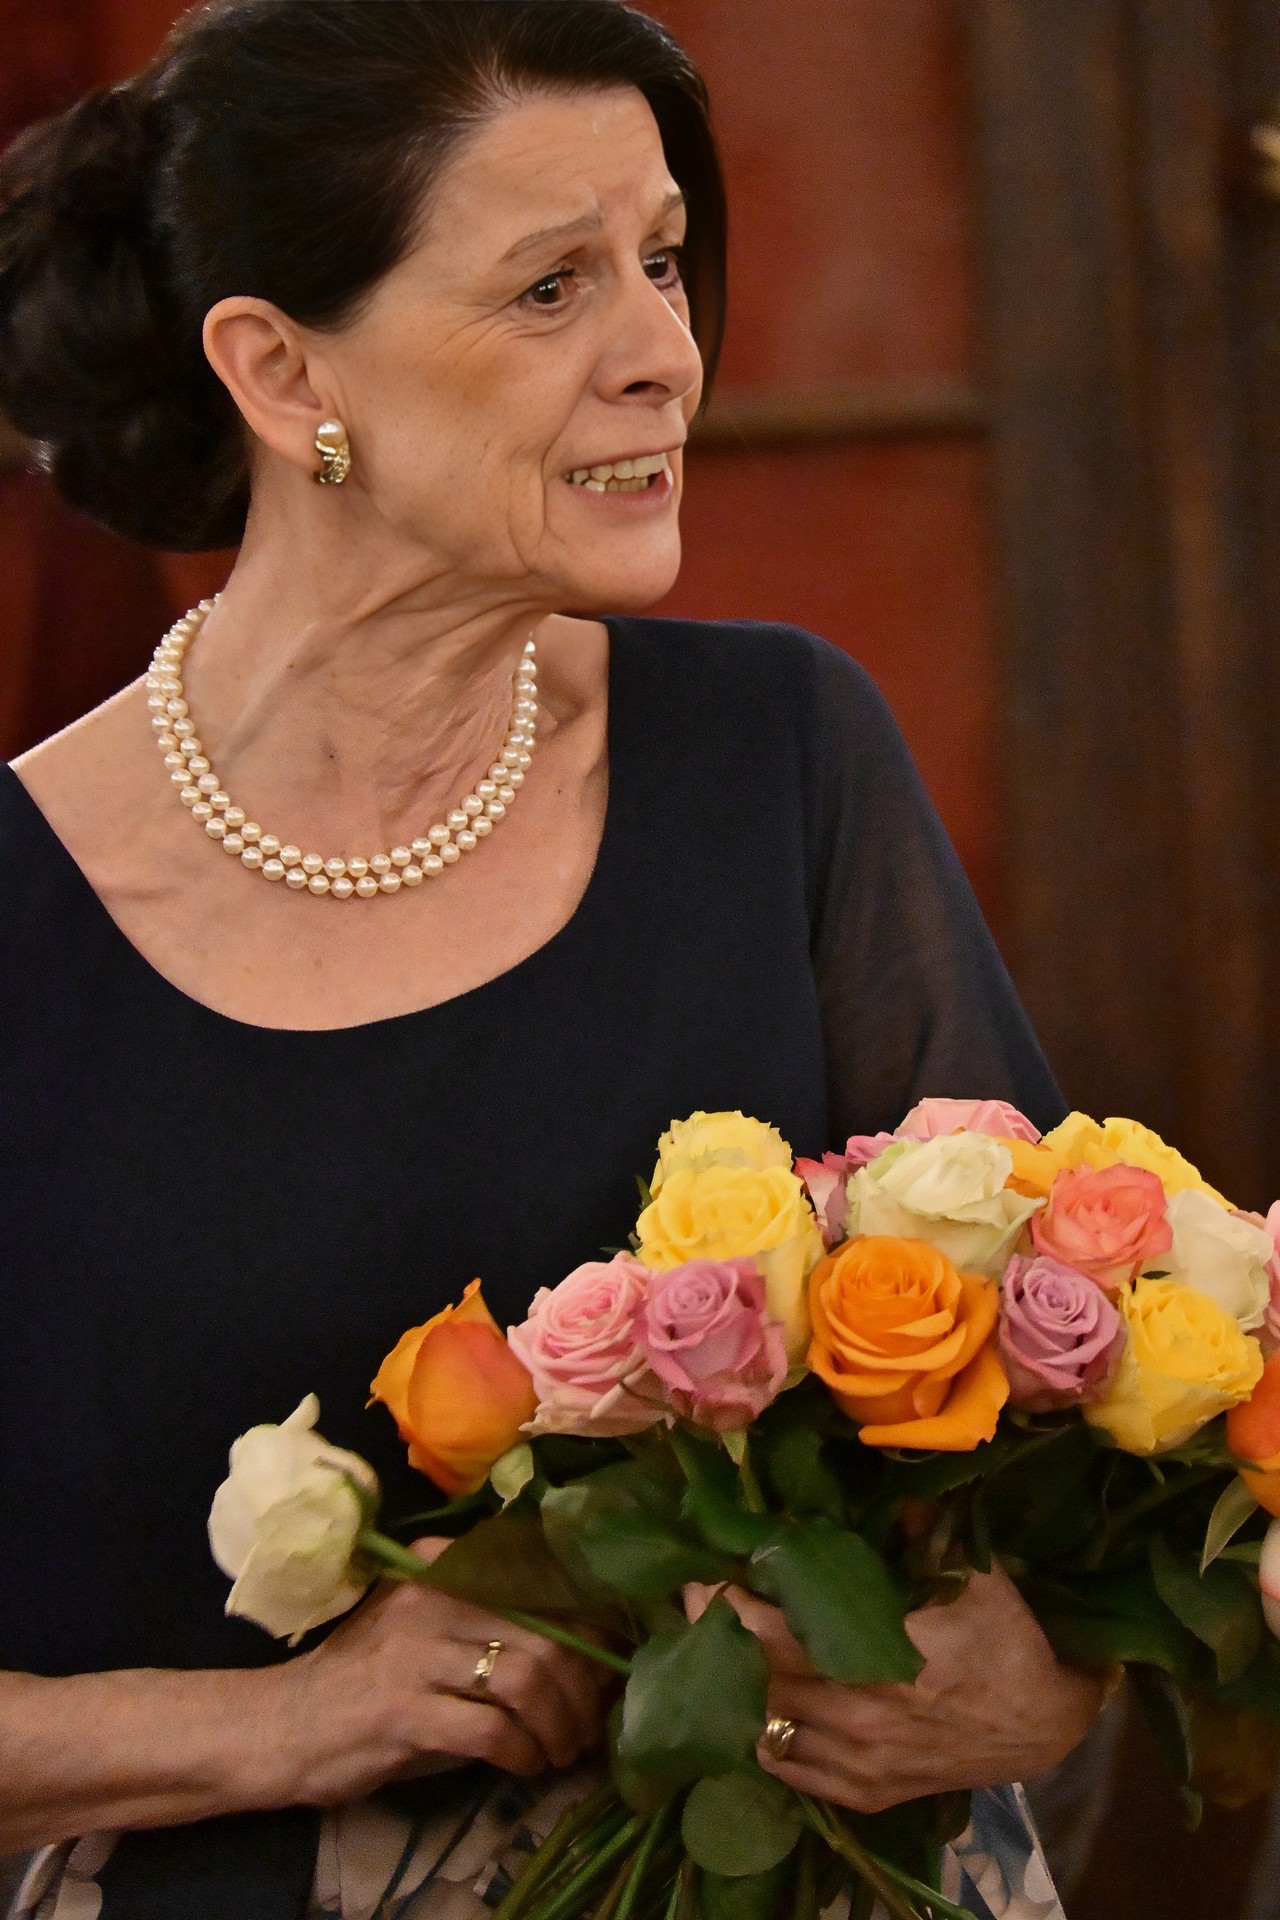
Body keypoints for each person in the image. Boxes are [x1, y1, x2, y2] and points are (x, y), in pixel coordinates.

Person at [0, 3, 1102, 1915]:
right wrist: (288, 1724)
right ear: (277, 369)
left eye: (661, 262)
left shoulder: (781, 757)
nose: (666, 352)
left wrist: (1042, 1678)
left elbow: (1073, 1438)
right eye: (549, 287)